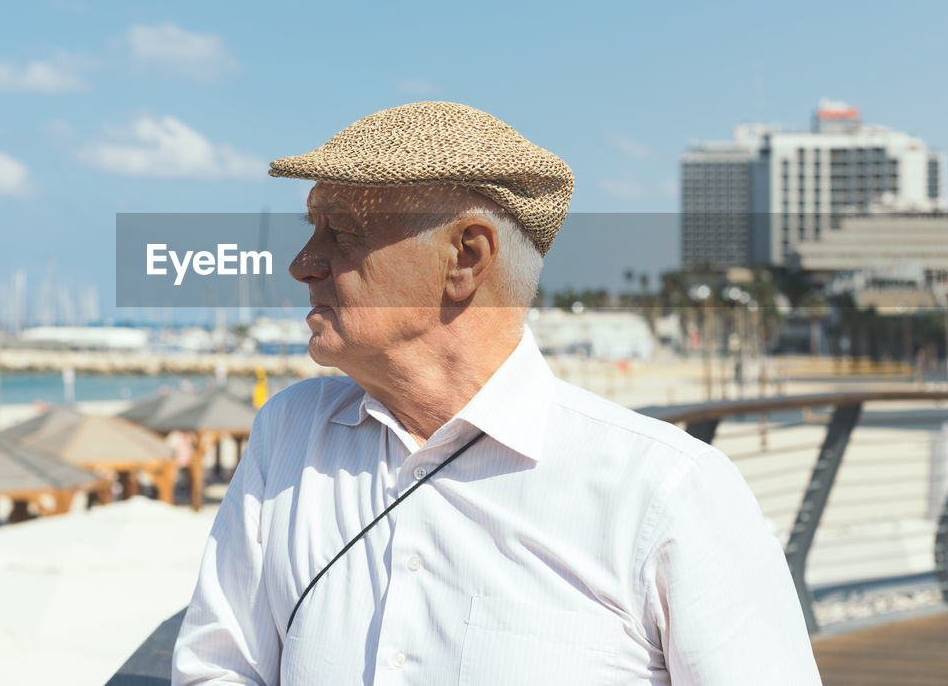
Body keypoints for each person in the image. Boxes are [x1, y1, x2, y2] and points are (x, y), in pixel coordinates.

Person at [172, 101, 820, 685]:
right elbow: (217, 669)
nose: (303, 262)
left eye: (340, 230)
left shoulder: (666, 491)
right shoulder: (288, 435)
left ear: (466, 258)